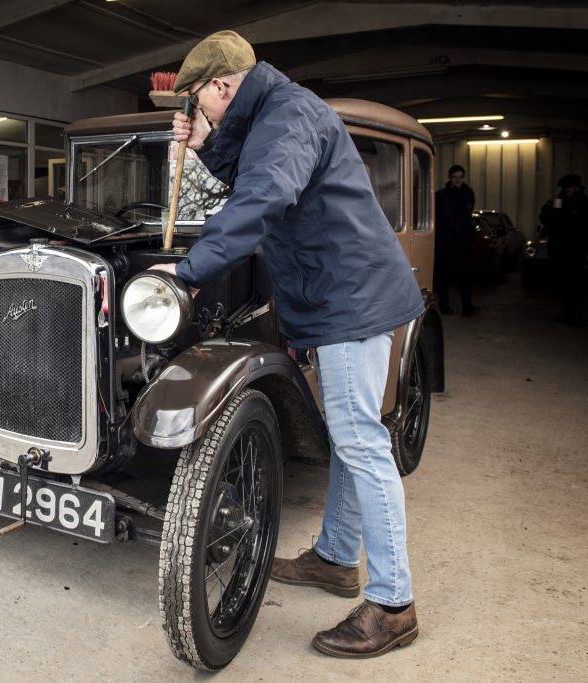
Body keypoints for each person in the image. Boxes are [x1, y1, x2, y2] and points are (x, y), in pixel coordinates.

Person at [153, 31, 424, 658]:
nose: (198, 111)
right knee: (351, 432)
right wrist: (205, 146)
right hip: (337, 294)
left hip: (351, 297)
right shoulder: (273, 113)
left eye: (198, 101)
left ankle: (394, 604)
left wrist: (188, 270)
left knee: (361, 438)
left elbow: (265, 195)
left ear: (220, 85)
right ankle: (334, 558)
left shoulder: (291, 114)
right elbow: (259, 169)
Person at [540, 174, 587, 327]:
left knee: (575, 283)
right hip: (561, 248)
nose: (568, 190)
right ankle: (569, 314)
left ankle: (576, 316)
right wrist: (547, 208)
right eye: (566, 187)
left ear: (577, 187)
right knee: (565, 283)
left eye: (571, 187)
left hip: (574, 249)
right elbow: (547, 219)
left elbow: (578, 226)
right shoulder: (560, 201)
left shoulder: (582, 203)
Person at [434, 165, 478, 316]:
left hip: (462, 244)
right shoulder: (441, 196)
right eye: (455, 177)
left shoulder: (468, 194)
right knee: (443, 276)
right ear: (450, 178)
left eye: (460, 177)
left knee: (465, 277)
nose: (458, 180)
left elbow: (467, 219)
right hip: (445, 244)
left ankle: (467, 307)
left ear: (463, 177)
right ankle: (444, 307)